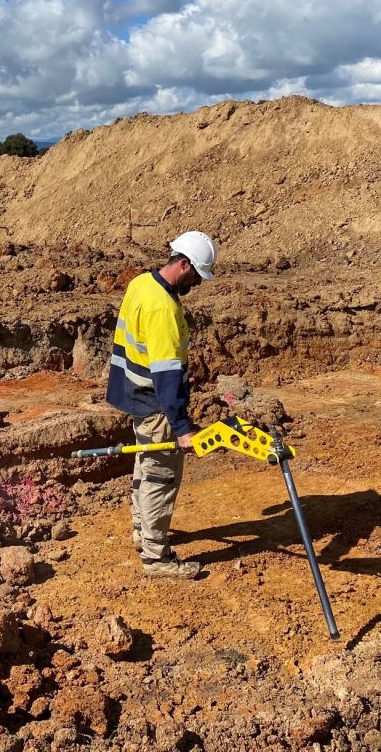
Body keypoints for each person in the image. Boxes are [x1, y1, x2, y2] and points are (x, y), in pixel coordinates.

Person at [106, 230, 217, 579]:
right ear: (184, 265)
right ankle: (156, 557)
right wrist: (182, 426)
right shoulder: (163, 307)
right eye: (196, 276)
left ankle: (142, 532)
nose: (196, 284)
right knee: (161, 476)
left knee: (145, 465)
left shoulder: (141, 283)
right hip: (156, 403)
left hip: (135, 394)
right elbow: (166, 375)